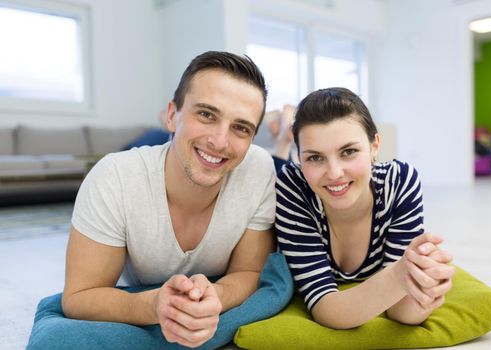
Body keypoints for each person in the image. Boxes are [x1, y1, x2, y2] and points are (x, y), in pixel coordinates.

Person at [61, 51, 276, 348]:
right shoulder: (115, 177)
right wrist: (154, 306)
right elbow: (79, 295)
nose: (220, 141)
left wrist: (218, 296)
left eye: (241, 128)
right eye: (206, 114)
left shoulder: (259, 168)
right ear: (173, 116)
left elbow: (249, 272)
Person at [276, 87, 455, 329]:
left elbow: (400, 312)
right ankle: (281, 143)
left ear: (374, 145)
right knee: (274, 163)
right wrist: (401, 275)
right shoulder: (293, 184)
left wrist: (424, 290)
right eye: (315, 158)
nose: (334, 173)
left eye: (348, 152)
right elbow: (327, 309)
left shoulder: (399, 181)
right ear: (300, 157)